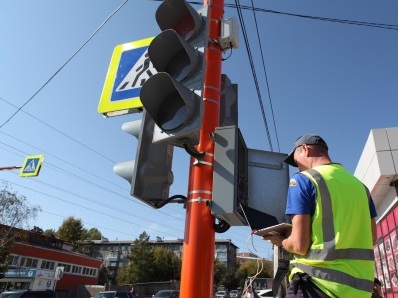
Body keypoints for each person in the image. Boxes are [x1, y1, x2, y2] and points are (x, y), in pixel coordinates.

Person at [264, 134, 377, 297]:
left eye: (297, 161)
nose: (297, 168)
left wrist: (280, 240)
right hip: (360, 291)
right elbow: (372, 237)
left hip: (316, 285)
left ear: (305, 149)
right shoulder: (361, 187)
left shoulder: (303, 179)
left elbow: (299, 245)